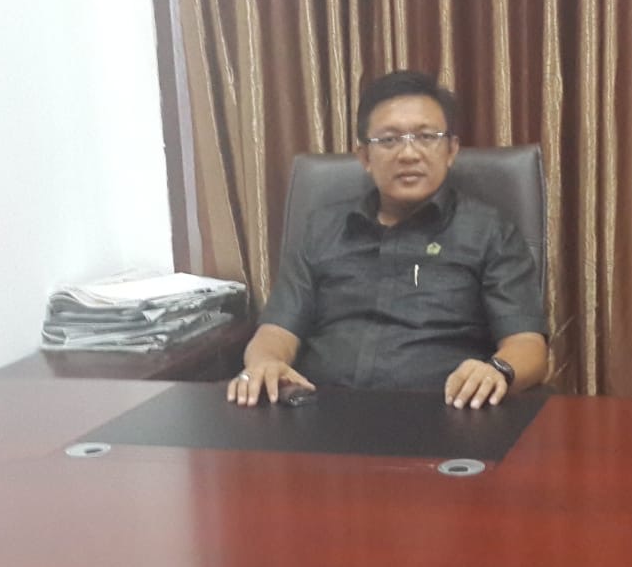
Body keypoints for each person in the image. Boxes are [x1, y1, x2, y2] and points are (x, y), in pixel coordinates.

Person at [227, 70, 548, 409]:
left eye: (427, 137)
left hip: (446, 412)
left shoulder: (490, 231)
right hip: (322, 412)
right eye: (389, 140)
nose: (409, 154)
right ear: (365, 157)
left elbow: (528, 344)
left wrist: (497, 370)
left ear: (451, 150)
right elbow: (276, 330)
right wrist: (266, 363)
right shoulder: (321, 229)